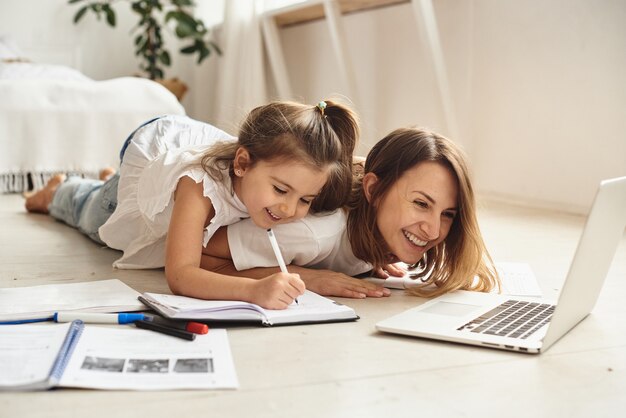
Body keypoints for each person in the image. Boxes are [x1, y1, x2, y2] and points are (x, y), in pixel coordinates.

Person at [24, 100, 380, 309]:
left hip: (200, 148)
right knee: (91, 214)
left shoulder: (269, 179)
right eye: (281, 190)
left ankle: (104, 179)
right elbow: (180, 276)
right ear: (242, 164)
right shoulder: (198, 187)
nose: (289, 210)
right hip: (154, 154)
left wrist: (375, 255)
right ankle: (61, 189)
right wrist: (255, 290)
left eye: (305, 199)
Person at [201, 127, 500, 299]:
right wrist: (308, 277)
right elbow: (204, 254)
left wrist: (372, 258)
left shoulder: (375, 233)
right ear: (372, 190)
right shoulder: (313, 234)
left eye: (448, 214)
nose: (434, 231)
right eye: (421, 204)